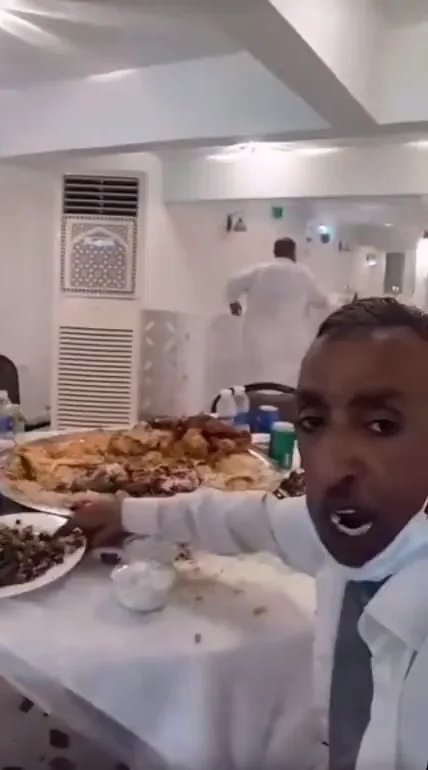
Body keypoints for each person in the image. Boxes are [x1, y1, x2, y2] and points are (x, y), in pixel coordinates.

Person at [61, 296, 428, 770]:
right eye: (313, 423)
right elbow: (243, 519)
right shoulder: (346, 538)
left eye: (381, 425)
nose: (331, 467)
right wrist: (125, 512)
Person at [225, 237, 330, 386]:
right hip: (291, 339)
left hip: (259, 337)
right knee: (288, 380)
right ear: (293, 252)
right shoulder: (302, 273)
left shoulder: (258, 270)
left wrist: (232, 302)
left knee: (257, 378)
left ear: (274, 251)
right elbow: (321, 301)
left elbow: (232, 283)